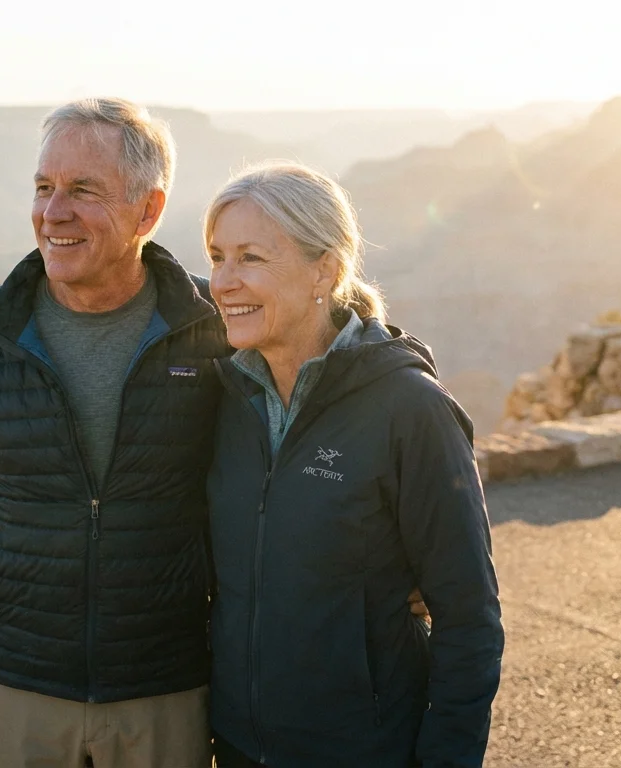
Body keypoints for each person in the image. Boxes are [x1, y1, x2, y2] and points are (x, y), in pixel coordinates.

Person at [0, 98, 229, 768]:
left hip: (167, 686)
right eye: (44, 188)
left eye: (84, 190)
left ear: (148, 210)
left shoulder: (215, 330)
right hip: (22, 685)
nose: (54, 213)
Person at [203, 162, 504, 767]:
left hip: (364, 750)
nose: (223, 282)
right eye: (217, 256)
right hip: (237, 747)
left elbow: (469, 619)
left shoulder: (410, 409)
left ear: (326, 271)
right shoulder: (221, 397)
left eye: (251, 258)